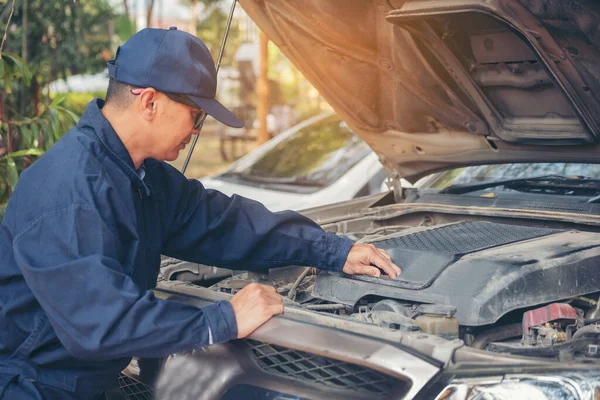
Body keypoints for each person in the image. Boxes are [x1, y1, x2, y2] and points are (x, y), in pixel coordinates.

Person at [0, 27, 401, 400]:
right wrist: (222, 320)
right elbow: (102, 325)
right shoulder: (70, 192)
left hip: (86, 382)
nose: (197, 131)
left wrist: (332, 251)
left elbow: (227, 222)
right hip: (32, 387)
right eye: (197, 116)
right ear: (150, 101)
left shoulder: (141, 177)